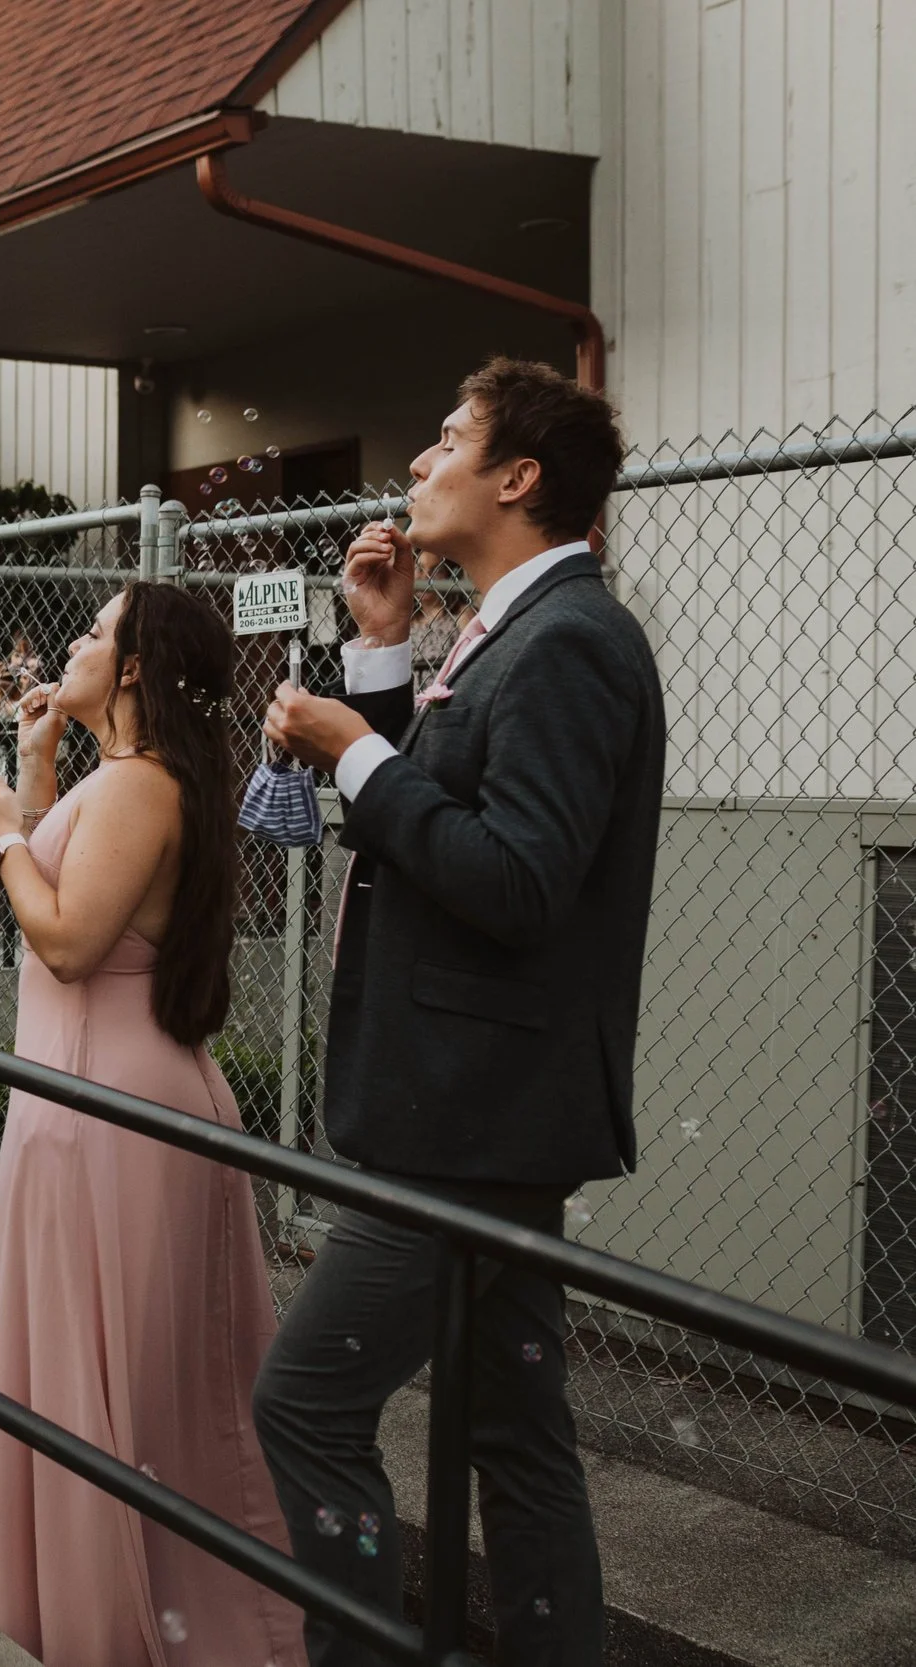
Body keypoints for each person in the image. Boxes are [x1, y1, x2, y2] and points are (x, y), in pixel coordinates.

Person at [258, 359, 663, 1667]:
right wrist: (380, 653)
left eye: (448, 436)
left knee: (308, 1404)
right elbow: (434, 823)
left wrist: (352, 747)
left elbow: (520, 880)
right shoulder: (506, 627)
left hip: (470, 1123)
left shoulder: (575, 642)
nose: (421, 460)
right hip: (475, 1106)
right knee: (515, 1438)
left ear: (518, 476)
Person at [0, 581, 307, 1667]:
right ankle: (86, 1613)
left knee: (121, 1399)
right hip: (83, 1097)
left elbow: (66, 942)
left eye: (97, 630)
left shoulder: (142, 785)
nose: (74, 639)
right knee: (93, 1385)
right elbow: (81, 885)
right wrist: (37, 771)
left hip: (106, 1113)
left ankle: (127, 1629)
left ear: (141, 666)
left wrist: (7, 838)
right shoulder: (127, 779)